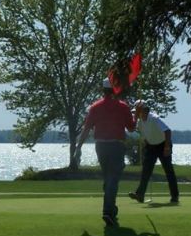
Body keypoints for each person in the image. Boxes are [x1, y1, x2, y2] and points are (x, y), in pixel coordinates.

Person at [76, 78, 135, 227]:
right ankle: (108, 211)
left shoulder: (95, 107)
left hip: (100, 147)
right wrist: (138, 114)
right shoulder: (123, 106)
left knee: (109, 179)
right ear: (115, 89)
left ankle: (111, 208)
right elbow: (131, 128)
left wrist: (79, 147)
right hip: (116, 146)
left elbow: (86, 129)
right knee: (113, 179)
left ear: (102, 90)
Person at [129, 101, 179, 204]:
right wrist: (146, 146)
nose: (136, 114)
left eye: (138, 111)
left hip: (163, 145)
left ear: (146, 110)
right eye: (135, 112)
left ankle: (175, 196)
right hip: (151, 147)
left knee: (168, 171)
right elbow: (145, 136)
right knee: (146, 171)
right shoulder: (139, 122)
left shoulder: (154, 118)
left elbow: (167, 131)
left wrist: (166, 147)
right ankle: (140, 195)